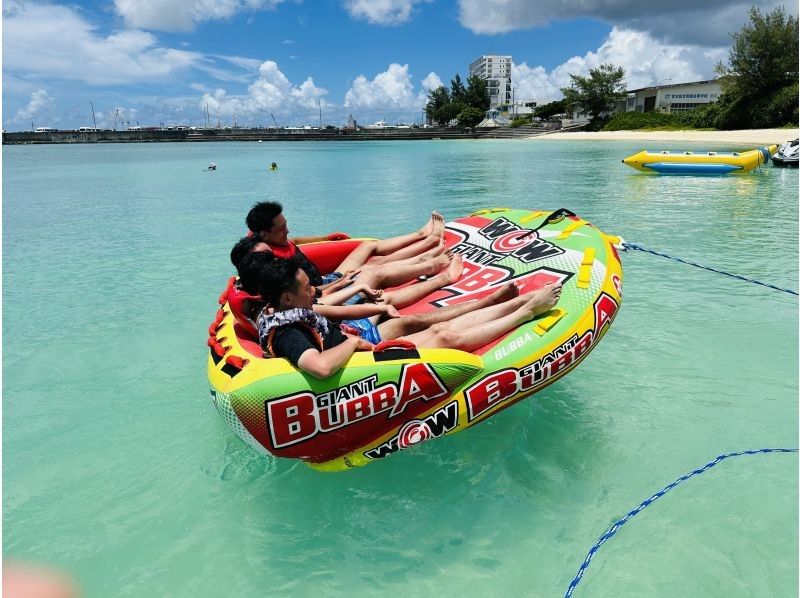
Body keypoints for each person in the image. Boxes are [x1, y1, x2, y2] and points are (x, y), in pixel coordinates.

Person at [257, 257, 562, 379]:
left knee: (441, 329)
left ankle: (519, 303)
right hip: (364, 367)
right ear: (286, 298)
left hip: (364, 354)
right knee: (444, 337)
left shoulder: (284, 312)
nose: (315, 292)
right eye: (308, 288)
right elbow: (321, 367)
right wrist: (353, 344)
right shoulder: (287, 333)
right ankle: (526, 312)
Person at [245, 201, 447, 287]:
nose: (287, 231)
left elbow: (294, 241)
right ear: (264, 233)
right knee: (373, 265)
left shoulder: (274, 237)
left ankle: (421, 234)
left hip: (325, 280)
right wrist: (339, 283)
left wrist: (325, 238)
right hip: (322, 290)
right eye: (281, 229)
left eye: (286, 225)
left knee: (367, 247)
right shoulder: (265, 260)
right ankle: (430, 245)